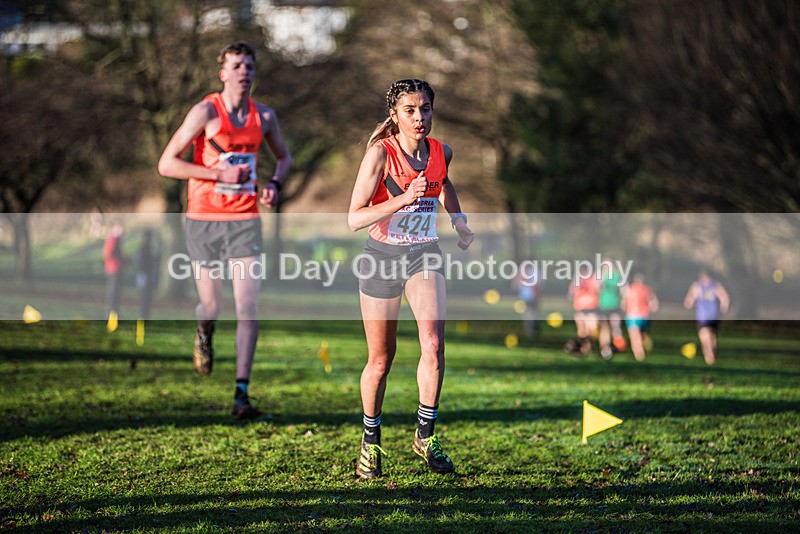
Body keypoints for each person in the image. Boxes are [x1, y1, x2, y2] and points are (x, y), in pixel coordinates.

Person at [158, 41, 292, 419]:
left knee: (248, 305)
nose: (243, 72)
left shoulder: (263, 117)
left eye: (249, 65)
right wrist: (219, 173)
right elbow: (167, 164)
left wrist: (275, 184)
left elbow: (284, 157)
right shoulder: (204, 112)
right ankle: (204, 332)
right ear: (223, 72)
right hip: (204, 219)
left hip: (245, 220)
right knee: (213, 304)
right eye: (236, 66)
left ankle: (241, 393)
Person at [347, 79, 474, 478]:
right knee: (381, 360)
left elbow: (443, 182)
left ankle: (425, 434)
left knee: (434, 344)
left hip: (424, 254)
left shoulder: (441, 152)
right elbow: (353, 218)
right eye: (410, 111)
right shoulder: (380, 155)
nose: (420, 118)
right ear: (394, 115)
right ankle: (370, 442)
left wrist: (457, 218)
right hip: (382, 257)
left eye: (426, 109)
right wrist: (402, 198)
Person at [683, 270, 730, 365]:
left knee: (710, 335)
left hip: (713, 315)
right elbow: (690, 297)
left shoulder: (715, 285)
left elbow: (724, 297)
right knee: (705, 335)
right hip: (702, 315)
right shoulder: (697, 286)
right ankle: (709, 355)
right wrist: (689, 302)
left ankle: (710, 353)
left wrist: (724, 305)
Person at [621, 272, 659, 362]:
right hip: (644, 316)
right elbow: (654, 305)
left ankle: (639, 355)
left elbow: (623, 304)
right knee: (641, 334)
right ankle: (643, 346)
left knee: (635, 336)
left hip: (632, 316)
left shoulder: (629, 289)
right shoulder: (647, 289)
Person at [565, 264, 599, 357]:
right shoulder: (578, 278)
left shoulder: (594, 278)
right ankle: (583, 350)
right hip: (580, 307)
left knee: (590, 331)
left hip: (591, 307)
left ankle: (588, 348)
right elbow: (571, 292)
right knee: (582, 331)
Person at [597, 258, 627, 360]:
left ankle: (618, 346)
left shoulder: (617, 276)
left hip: (614, 306)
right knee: (605, 329)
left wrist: (624, 301)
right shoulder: (601, 276)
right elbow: (596, 288)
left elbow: (624, 290)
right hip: (603, 306)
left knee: (616, 328)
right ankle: (605, 349)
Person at [135, 229, 161, 320]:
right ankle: (143, 316)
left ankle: (144, 316)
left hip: (146, 275)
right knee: (145, 297)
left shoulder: (147, 249)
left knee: (146, 297)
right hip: (145, 275)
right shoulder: (145, 249)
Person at [512, 261, 541, 342]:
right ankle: (530, 334)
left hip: (532, 297)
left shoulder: (534, 272)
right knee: (526, 316)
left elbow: (536, 285)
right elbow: (515, 285)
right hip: (524, 298)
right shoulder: (521, 273)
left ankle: (533, 334)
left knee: (532, 316)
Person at [103, 223, 125, 319]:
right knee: (113, 295)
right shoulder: (113, 240)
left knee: (116, 295)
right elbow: (108, 255)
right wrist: (121, 261)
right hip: (114, 271)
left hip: (116, 270)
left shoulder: (116, 240)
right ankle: (112, 317)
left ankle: (114, 316)